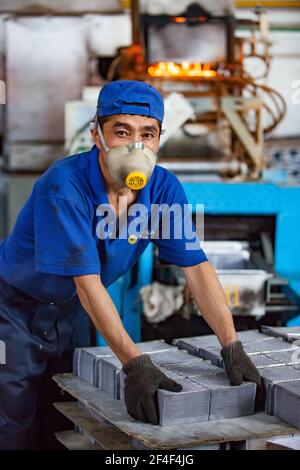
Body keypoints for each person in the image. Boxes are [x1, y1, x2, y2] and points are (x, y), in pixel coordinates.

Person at [0, 80, 261, 449]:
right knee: (10, 420)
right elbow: (87, 283)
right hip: (12, 311)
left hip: (74, 314)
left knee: (65, 415)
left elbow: (197, 269)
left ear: (159, 139)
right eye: (121, 131)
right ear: (97, 135)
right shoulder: (64, 188)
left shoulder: (164, 191)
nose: (136, 145)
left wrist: (230, 345)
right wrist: (135, 363)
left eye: (147, 133)